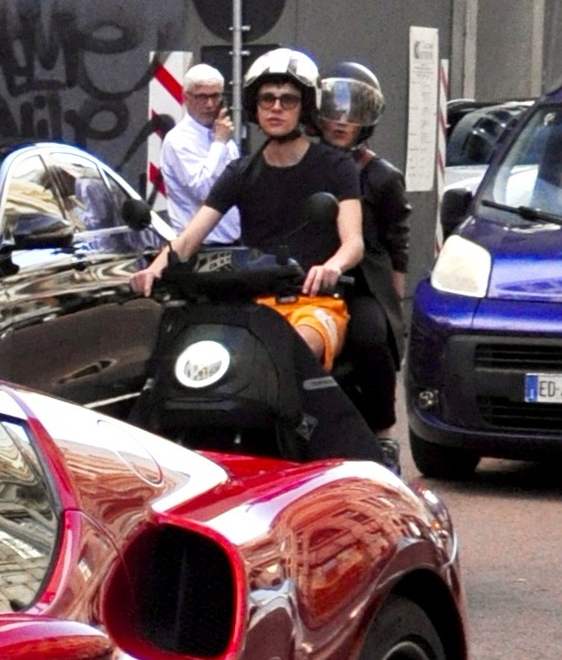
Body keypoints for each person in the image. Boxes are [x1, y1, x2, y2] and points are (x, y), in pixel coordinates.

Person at [135, 50, 365, 299]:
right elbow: (189, 239)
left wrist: (333, 266)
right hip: (254, 300)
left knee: (306, 336)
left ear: (305, 107)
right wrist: (153, 270)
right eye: (267, 99)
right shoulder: (241, 172)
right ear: (255, 106)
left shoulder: (337, 166)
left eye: (288, 100)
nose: (276, 108)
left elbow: (354, 242)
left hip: (314, 299)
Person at [318, 60, 411, 439]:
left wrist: (394, 305)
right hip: (307, 277)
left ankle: (383, 433)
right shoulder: (304, 165)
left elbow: (397, 244)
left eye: (354, 114)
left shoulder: (382, 176)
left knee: (373, 340)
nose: (342, 122)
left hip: (362, 284)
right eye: (335, 111)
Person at [156, 62, 242, 242]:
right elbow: (204, 191)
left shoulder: (224, 137)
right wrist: (218, 143)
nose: (210, 104)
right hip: (198, 247)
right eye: (202, 97)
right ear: (186, 98)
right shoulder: (178, 140)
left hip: (233, 241)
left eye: (215, 96)